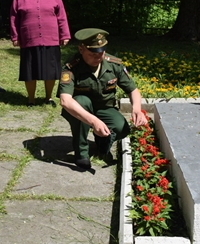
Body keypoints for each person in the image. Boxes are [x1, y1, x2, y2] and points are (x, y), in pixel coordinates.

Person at [57, 29, 148, 170]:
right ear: (81, 49)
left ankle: (101, 141)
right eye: (93, 54)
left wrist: (136, 109)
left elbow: (133, 90)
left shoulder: (114, 64)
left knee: (122, 128)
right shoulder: (71, 67)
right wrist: (93, 121)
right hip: (81, 109)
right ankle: (82, 153)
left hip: (104, 107)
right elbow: (65, 101)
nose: (98, 57)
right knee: (82, 101)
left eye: (101, 53)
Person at [10, 0, 70, 107]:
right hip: (29, 38)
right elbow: (14, 17)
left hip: (51, 38)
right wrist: (15, 36)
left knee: (50, 70)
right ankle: (31, 99)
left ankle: (48, 97)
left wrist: (65, 34)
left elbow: (61, 16)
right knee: (30, 71)